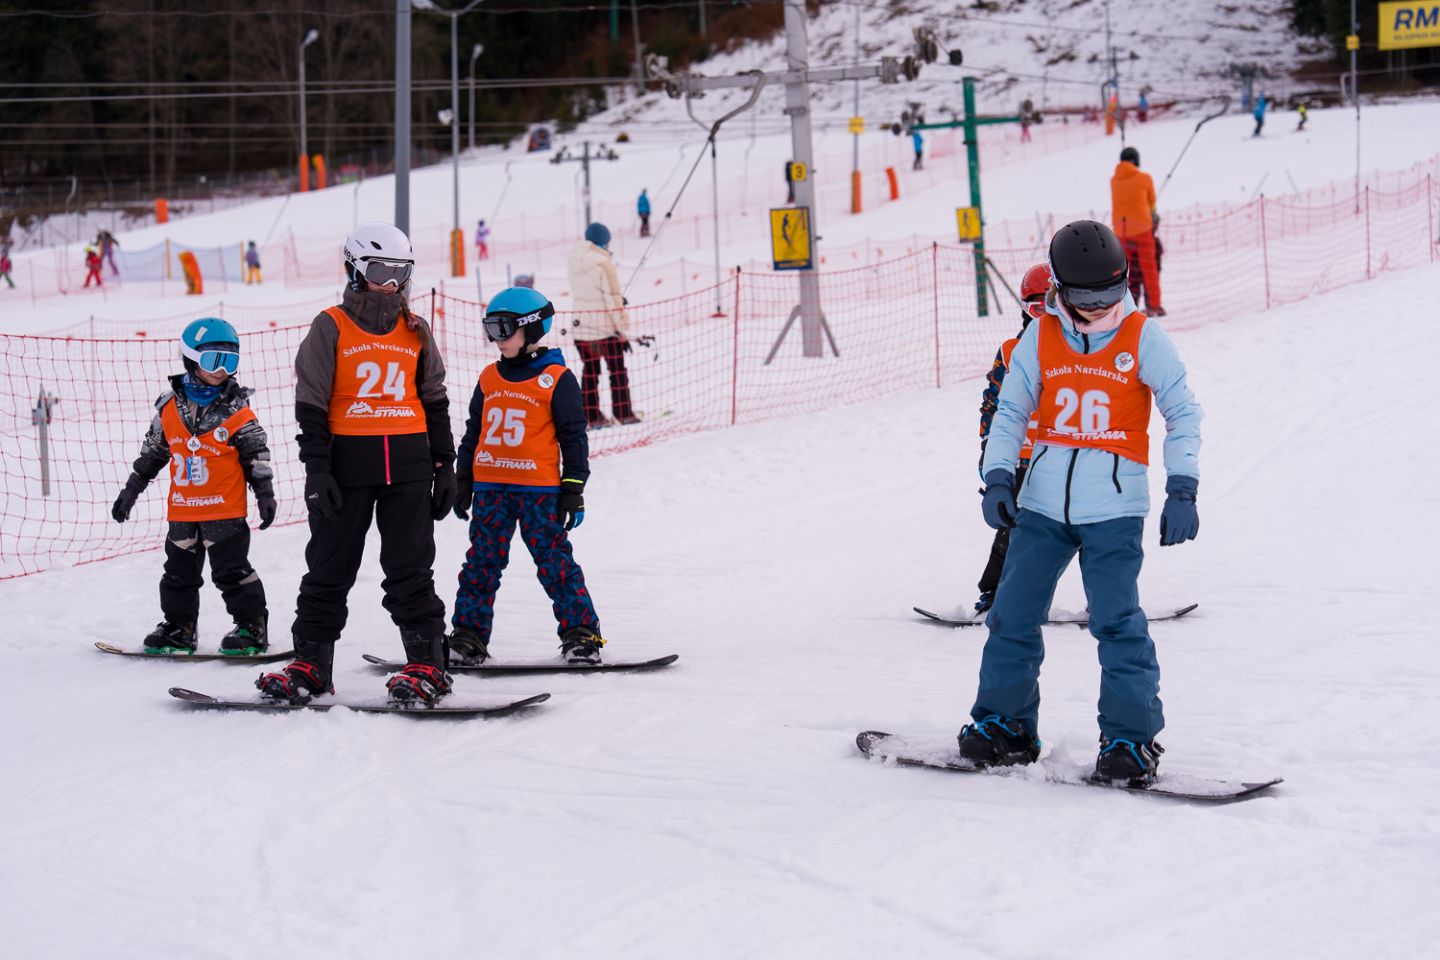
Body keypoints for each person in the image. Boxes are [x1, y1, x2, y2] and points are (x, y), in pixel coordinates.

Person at [959, 220, 1202, 783]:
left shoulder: (1142, 336)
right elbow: (1011, 411)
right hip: (1042, 507)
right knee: (1011, 617)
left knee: (1117, 625)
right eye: (1086, 298)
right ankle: (1005, 727)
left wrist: (1183, 487)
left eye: (1111, 294)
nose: (1099, 308)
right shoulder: (1040, 337)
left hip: (1113, 510)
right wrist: (999, 477)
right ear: (1060, 289)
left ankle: (1130, 740)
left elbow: (1183, 411)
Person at [255, 222, 457, 705]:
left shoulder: (416, 330)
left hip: (408, 466)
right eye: (381, 271)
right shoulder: (331, 326)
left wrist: (445, 464)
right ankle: (311, 664)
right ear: (354, 269)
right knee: (328, 567)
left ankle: (428, 663)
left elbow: (434, 398)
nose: (391, 284)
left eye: (400, 273)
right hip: (347, 468)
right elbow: (311, 404)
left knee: (410, 567)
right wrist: (317, 469)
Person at [447, 285, 603, 666]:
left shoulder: (556, 378)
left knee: (556, 564)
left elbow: (574, 437)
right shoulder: (489, 378)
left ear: (532, 328)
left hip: (539, 492)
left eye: (504, 329)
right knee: (481, 565)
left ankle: (581, 634)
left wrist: (573, 489)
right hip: (490, 491)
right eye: (490, 329)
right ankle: (468, 636)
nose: (496, 339)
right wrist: (462, 478)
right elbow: (473, 432)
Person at [110, 318, 277, 655]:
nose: (222, 370)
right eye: (214, 360)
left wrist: (265, 494)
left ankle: (251, 625)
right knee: (178, 574)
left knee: (231, 571)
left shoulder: (236, 410)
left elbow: (256, 454)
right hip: (183, 510)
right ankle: (179, 628)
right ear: (190, 359)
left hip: (224, 511)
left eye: (230, 361)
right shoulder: (169, 408)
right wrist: (131, 490)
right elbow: (153, 452)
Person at [973, 263, 1050, 615]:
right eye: (1037, 310)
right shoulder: (1010, 351)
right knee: (1013, 528)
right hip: (1019, 458)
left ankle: (1106, 598)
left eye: (1052, 309)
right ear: (1025, 310)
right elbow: (991, 403)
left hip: (1060, 456)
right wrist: (989, 450)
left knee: (1084, 529)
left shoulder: (1075, 352)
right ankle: (995, 592)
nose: (1045, 319)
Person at [565, 222, 637, 428]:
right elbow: (612, 299)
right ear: (604, 242)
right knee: (617, 371)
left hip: (582, 329)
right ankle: (623, 413)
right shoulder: (604, 264)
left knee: (590, 371)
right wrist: (621, 329)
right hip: (605, 331)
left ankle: (591, 416)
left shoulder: (574, 260)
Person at [1110, 146, 1165, 316]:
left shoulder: (1114, 181)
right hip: (1142, 230)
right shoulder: (1145, 178)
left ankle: (1127, 306)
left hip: (1122, 232)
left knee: (1127, 271)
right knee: (1149, 269)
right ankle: (1154, 305)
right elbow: (1152, 203)